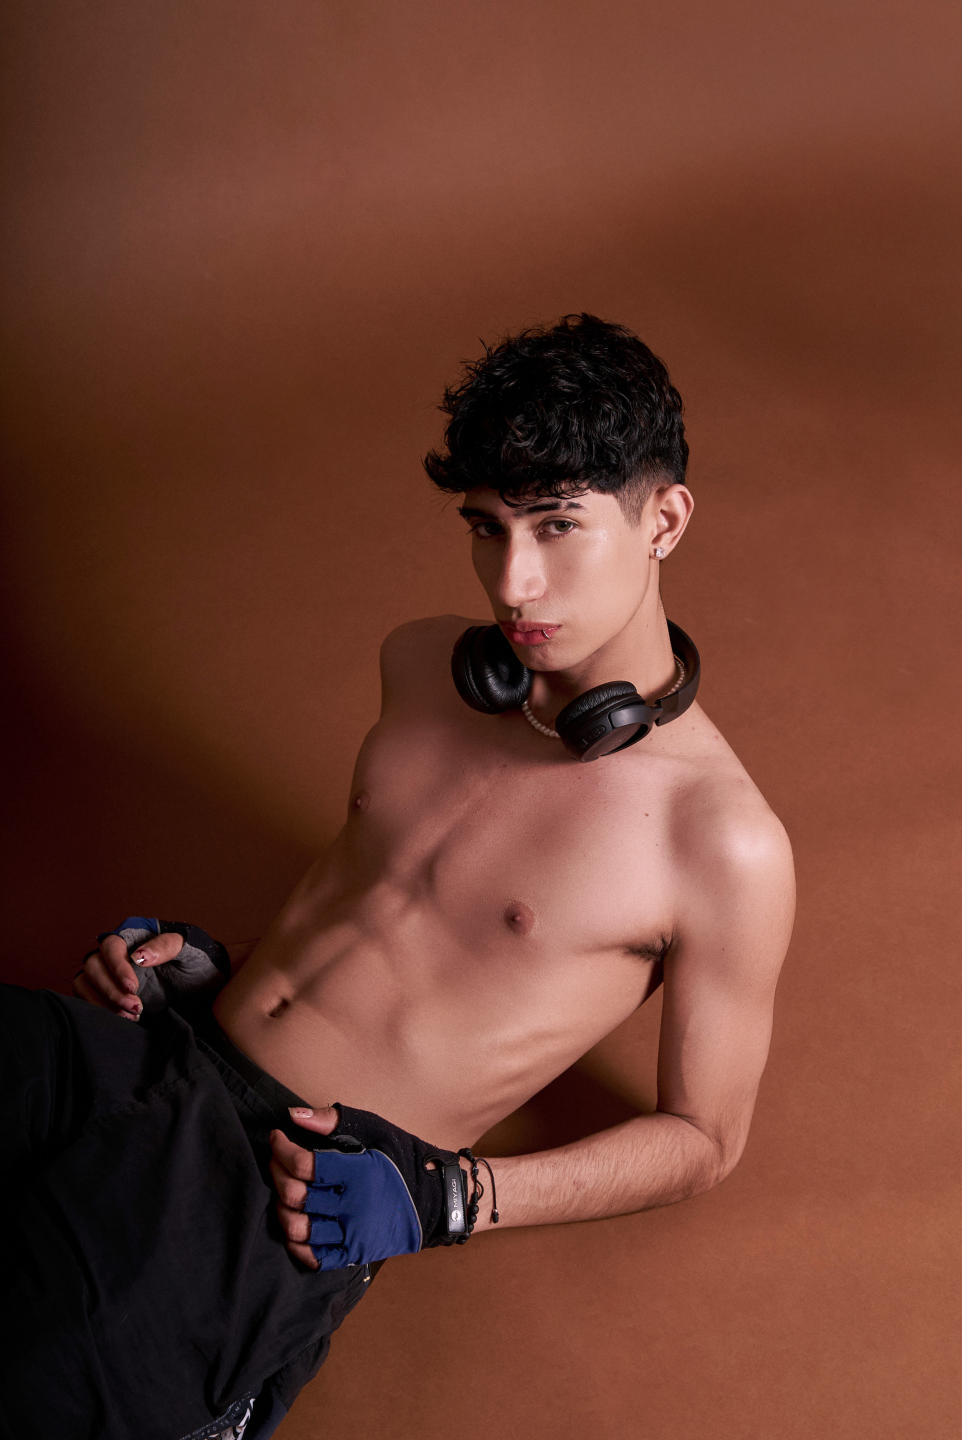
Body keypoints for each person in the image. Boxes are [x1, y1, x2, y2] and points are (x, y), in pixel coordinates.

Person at [5, 314, 794, 1440]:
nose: (513, 583)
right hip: (148, 1053)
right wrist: (211, 969)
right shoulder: (423, 662)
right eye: (487, 528)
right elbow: (387, 911)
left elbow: (705, 1140)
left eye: (557, 526)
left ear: (662, 520)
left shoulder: (719, 842)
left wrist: (452, 1196)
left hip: (281, 1179)